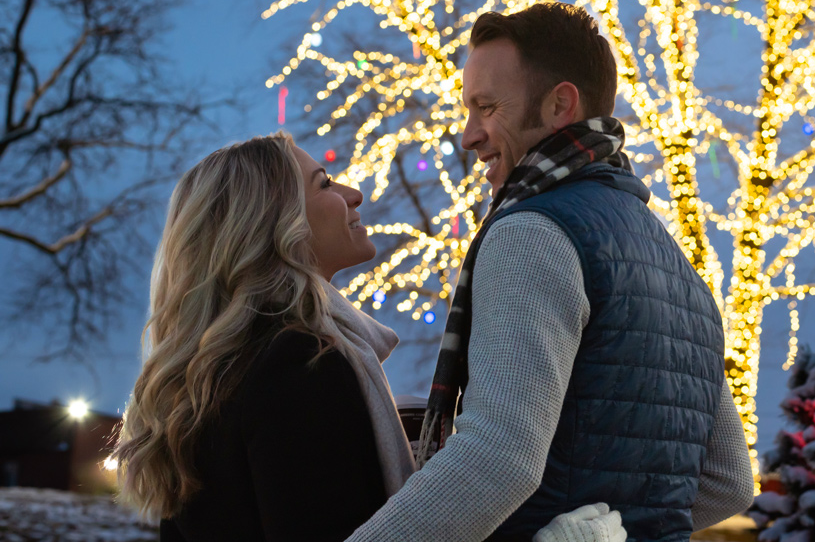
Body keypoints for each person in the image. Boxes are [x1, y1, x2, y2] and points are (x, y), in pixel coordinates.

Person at [344, 3, 755, 542]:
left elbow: (498, 458)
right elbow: (728, 481)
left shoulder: (533, 233)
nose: (468, 135)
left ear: (561, 103)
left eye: (487, 107)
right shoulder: (674, 261)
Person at [111, 132, 626, 542]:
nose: (353, 194)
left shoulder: (213, 377)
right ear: (272, 225)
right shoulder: (299, 363)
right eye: (325, 184)